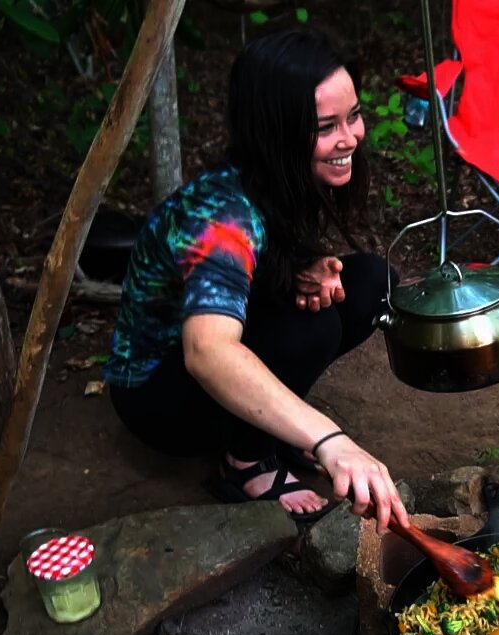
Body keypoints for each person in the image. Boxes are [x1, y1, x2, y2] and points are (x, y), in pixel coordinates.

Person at [104, 27, 409, 534]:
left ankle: (274, 429)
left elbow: (264, 255)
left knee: (371, 281)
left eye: (353, 116)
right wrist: (330, 441)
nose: (350, 138)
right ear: (277, 131)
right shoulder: (223, 218)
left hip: (197, 364)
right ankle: (244, 463)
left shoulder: (281, 175)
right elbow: (208, 352)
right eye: (326, 126)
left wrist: (299, 266)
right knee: (312, 330)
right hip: (157, 395)